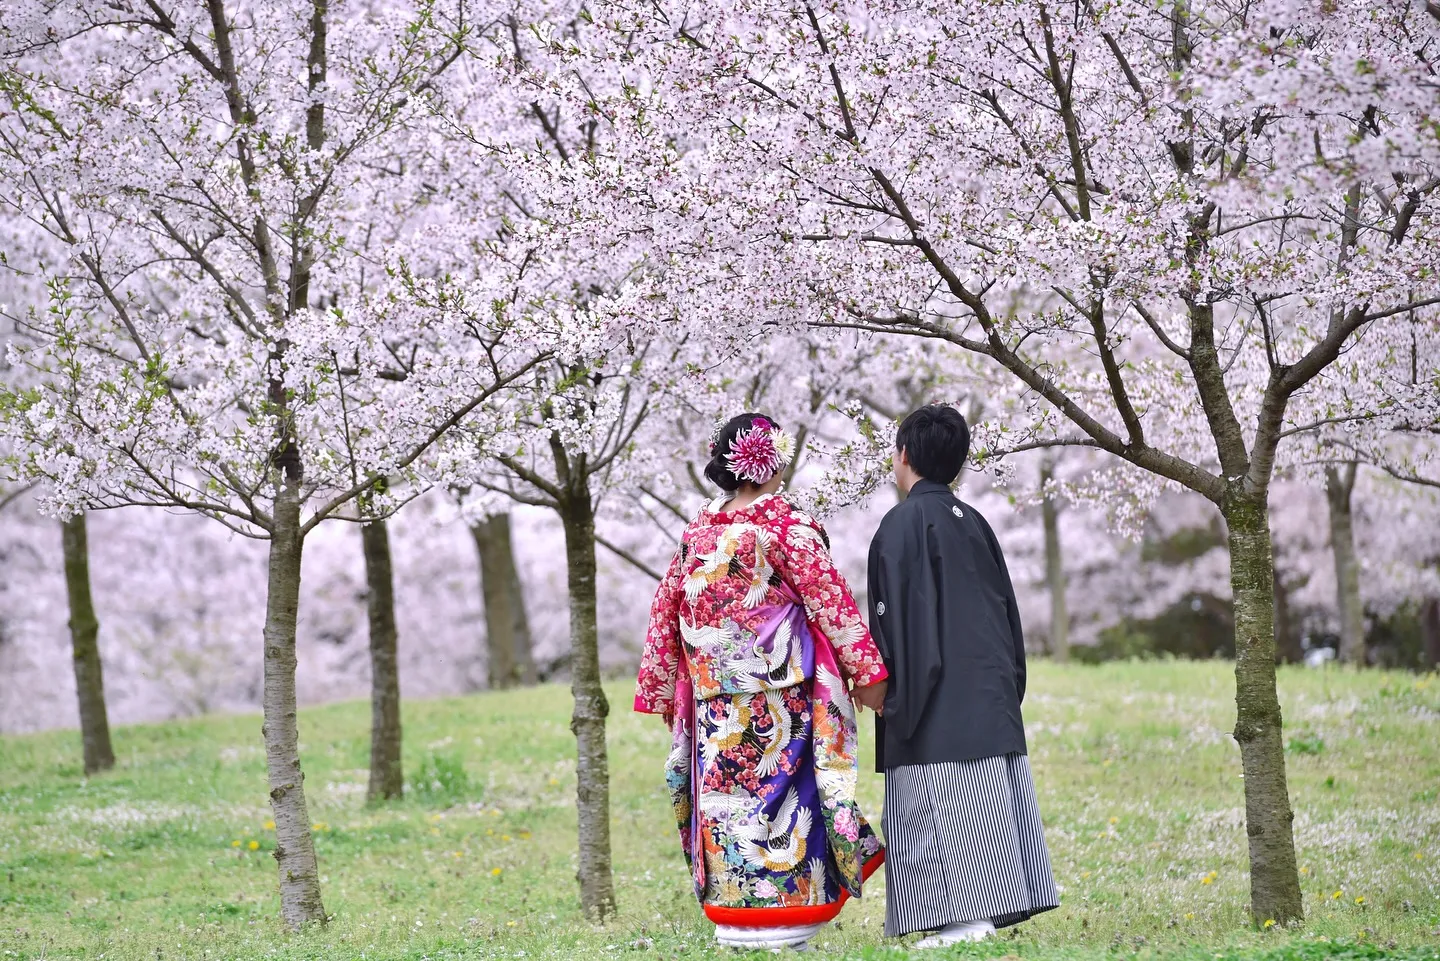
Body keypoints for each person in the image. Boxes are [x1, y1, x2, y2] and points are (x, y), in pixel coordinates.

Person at [635, 412, 889, 951]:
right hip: (779, 692)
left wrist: (660, 685)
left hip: (713, 701)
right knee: (785, 797)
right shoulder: (785, 525)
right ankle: (787, 913)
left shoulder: (700, 529)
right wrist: (865, 672)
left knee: (726, 802)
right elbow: (830, 598)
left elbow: (666, 607)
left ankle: (733, 915)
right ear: (771, 459)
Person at [866, 404, 1059, 948]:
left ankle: (958, 924)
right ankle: (980, 916)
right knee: (987, 808)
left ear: (903, 455)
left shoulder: (901, 524)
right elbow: (1007, 615)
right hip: (990, 698)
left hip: (936, 707)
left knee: (939, 807)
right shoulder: (974, 521)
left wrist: (895, 696)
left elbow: (903, 622)